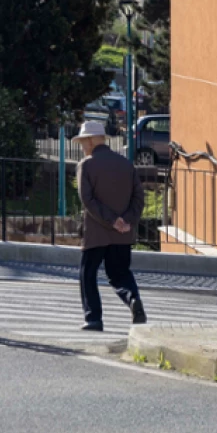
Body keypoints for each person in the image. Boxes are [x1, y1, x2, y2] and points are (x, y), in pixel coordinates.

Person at [74, 120, 147, 331]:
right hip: (122, 234)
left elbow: (88, 201)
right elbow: (138, 198)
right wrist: (127, 221)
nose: (82, 146)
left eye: (82, 142)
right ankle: (133, 299)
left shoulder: (86, 165)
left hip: (96, 233)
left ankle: (93, 318)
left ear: (89, 141)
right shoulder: (126, 164)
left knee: (88, 273)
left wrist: (112, 220)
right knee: (120, 273)